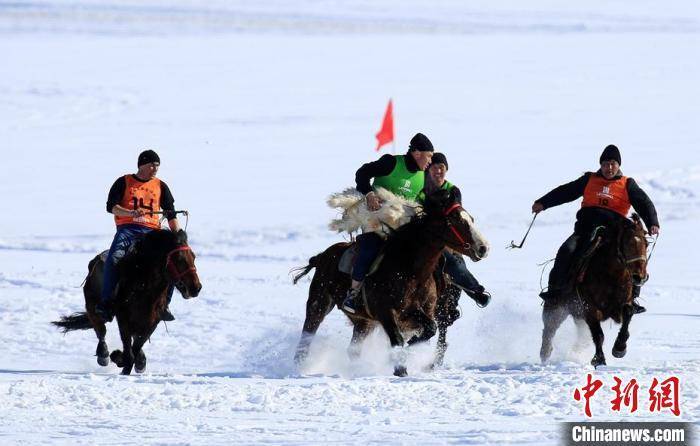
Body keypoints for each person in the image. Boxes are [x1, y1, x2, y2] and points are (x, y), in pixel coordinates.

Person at [532, 144, 660, 312]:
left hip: (613, 234)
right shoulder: (589, 179)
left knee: (635, 253)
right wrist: (543, 202)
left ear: (619, 165)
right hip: (585, 231)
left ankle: (632, 299)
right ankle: (556, 292)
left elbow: (643, 202)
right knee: (566, 251)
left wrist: (652, 222)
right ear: (600, 165)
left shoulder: (627, 184)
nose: (609, 167)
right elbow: (566, 191)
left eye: (613, 163)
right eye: (606, 163)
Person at [341, 133, 434, 313]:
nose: (430, 161)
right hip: (375, 219)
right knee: (369, 248)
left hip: (403, 226)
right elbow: (362, 173)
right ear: (416, 153)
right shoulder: (391, 163)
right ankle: (353, 294)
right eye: (429, 156)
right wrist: (369, 195)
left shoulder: (424, 175)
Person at [96, 150, 184, 323]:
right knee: (114, 258)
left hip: (152, 232)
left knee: (172, 259)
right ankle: (106, 303)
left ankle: (164, 305)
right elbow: (111, 207)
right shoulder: (124, 182)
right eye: (152, 165)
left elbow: (171, 214)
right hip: (128, 229)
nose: (155, 169)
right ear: (141, 165)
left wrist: (178, 236)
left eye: (157, 165)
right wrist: (131, 213)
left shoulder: (161, 186)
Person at [419, 153, 491, 307]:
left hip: (447, 237)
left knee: (454, 263)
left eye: (441, 168)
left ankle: (476, 292)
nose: (438, 171)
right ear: (428, 169)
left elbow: (455, 215)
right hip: (422, 236)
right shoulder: (419, 187)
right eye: (434, 167)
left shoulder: (453, 190)